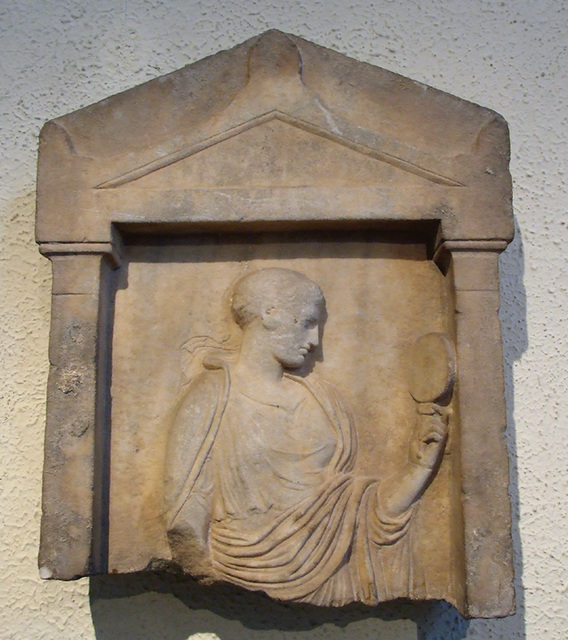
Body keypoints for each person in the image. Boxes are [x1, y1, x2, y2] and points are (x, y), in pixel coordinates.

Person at [164, 268, 448, 606]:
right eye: (307, 322)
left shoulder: (324, 403)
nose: (314, 340)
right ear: (270, 314)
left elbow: (358, 511)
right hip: (242, 570)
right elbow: (186, 518)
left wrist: (418, 468)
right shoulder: (211, 398)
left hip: (337, 579)